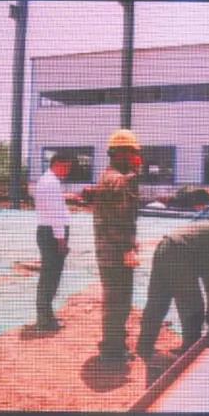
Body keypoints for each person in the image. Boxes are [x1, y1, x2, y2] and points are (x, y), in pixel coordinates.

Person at [136, 215, 209, 360]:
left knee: (158, 302)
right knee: (192, 305)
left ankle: (144, 347)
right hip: (179, 254)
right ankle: (190, 351)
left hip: (165, 248)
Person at [80, 129, 142, 367]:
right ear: (122, 154)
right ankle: (112, 352)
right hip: (116, 252)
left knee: (115, 301)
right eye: (134, 153)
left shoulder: (109, 176)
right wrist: (127, 249)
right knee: (118, 302)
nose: (137, 158)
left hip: (108, 250)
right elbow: (119, 220)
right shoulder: (119, 180)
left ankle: (116, 345)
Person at [33, 149, 74, 332]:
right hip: (52, 234)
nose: (68, 171)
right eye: (66, 167)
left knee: (49, 277)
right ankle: (44, 320)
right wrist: (61, 241)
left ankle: (47, 316)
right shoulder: (51, 183)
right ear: (57, 164)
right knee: (50, 278)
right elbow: (55, 215)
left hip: (48, 232)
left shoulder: (47, 180)